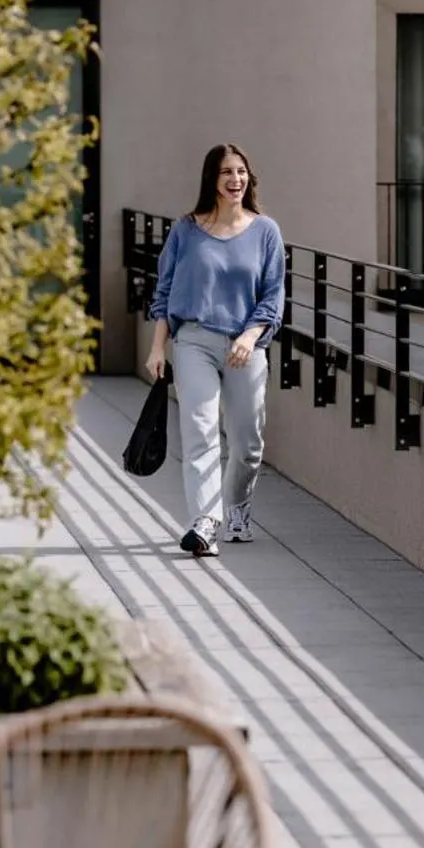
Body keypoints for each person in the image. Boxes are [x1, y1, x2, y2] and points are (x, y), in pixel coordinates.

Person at [145, 143, 286, 557]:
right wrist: (159, 347)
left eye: (241, 171)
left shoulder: (266, 231)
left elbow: (274, 295)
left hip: (247, 343)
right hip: (193, 340)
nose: (235, 179)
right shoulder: (186, 230)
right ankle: (205, 522)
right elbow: (165, 291)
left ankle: (237, 506)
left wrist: (249, 336)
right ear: (212, 179)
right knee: (201, 431)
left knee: (246, 441)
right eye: (226, 172)